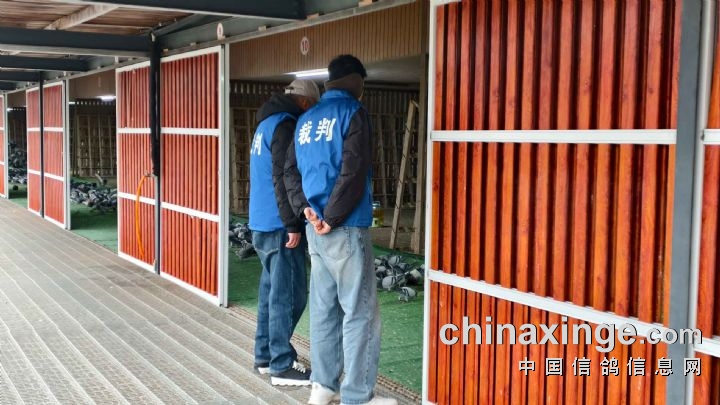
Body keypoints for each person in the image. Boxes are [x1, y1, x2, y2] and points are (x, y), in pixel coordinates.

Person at [285, 55, 397, 405]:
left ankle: (323, 386)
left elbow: (290, 171)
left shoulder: (306, 120)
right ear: (355, 81)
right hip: (345, 228)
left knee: (324, 310)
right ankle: (358, 395)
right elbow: (353, 170)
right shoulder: (353, 113)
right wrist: (332, 218)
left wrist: (307, 211)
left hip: (315, 229)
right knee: (360, 312)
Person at [249, 79, 319, 386]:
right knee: (289, 295)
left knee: (270, 293)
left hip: (261, 221)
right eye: (313, 107)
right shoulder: (287, 125)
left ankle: (265, 357)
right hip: (279, 225)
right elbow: (283, 177)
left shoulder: (266, 123)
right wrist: (293, 224)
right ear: (304, 102)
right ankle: (282, 364)